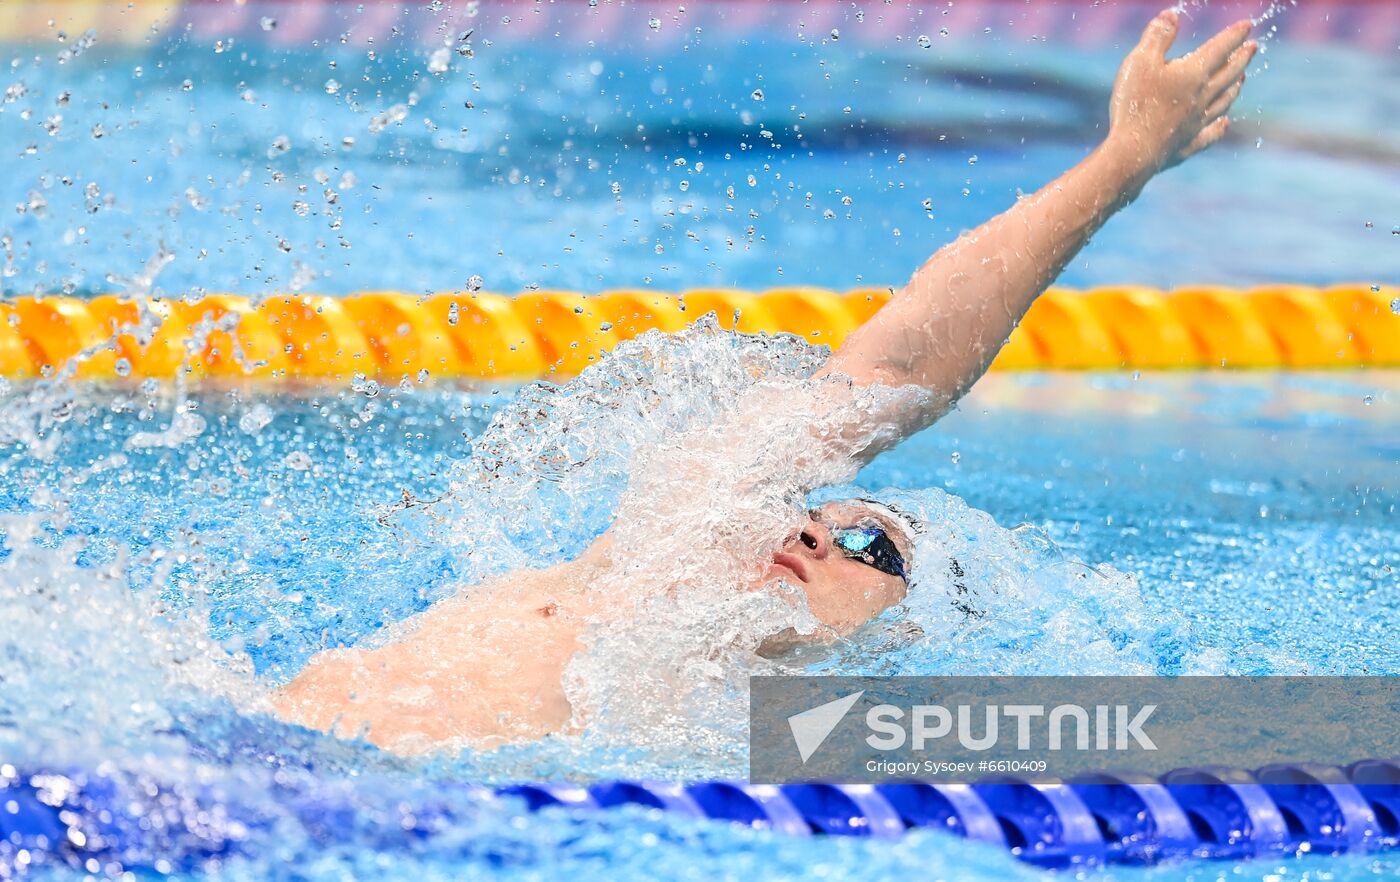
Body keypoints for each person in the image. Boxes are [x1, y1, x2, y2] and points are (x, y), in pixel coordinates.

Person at [273, 11, 1256, 752]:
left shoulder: (797, 740)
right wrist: (1120, 163)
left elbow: (1253, 737)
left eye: (873, 547)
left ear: (901, 642)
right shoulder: (670, 550)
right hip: (246, 743)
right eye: (829, 514)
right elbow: (892, 374)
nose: (815, 531)